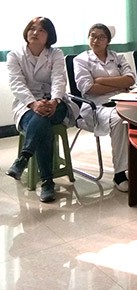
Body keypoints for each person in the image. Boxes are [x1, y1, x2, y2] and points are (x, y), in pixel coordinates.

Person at [6, 17, 78, 203]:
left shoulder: (55, 54)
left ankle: (24, 158)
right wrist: (33, 103)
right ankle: (47, 181)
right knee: (42, 123)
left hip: (55, 103)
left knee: (43, 118)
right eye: (32, 28)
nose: (35, 33)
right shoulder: (15, 55)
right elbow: (17, 84)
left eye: (41, 30)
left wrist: (54, 101)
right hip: (27, 104)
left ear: (49, 35)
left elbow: (59, 79)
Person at [73, 24, 135, 192]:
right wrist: (119, 84)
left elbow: (131, 79)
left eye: (101, 37)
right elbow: (88, 88)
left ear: (108, 41)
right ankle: (120, 174)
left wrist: (100, 80)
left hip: (125, 100)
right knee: (120, 120)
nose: (96, 40)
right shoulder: (81, 60)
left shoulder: (118, 57)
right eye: (93, 36)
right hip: (97, 106)